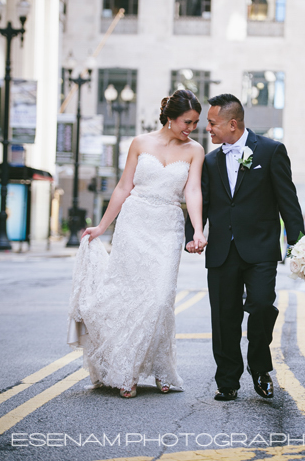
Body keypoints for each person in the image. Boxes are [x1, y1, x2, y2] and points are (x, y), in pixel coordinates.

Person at [68, 90, 207, 398]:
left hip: (168, 227)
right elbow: (123, 186)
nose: (191, 128)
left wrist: (197, 230)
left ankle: (161, 366)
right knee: (130, 296)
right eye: (187, 121)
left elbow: (194, 191)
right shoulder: (140, 143)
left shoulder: (195, 150)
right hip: (134, 223)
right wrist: (102, 227)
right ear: (170, 117)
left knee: (159, 300)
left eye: (195, 123)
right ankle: (125, 371)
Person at [185, 94, 305, 402]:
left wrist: (299, 243)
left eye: (212, 123)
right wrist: (192, 234)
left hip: (261, 250)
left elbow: (287, 201)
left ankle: (260, 367)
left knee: (263, 305)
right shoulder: (210, 161)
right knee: (224, 319)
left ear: (232, 124)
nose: (207, 129)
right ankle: (227, 380)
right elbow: (202, 203)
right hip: (222, 251)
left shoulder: (271, 151)